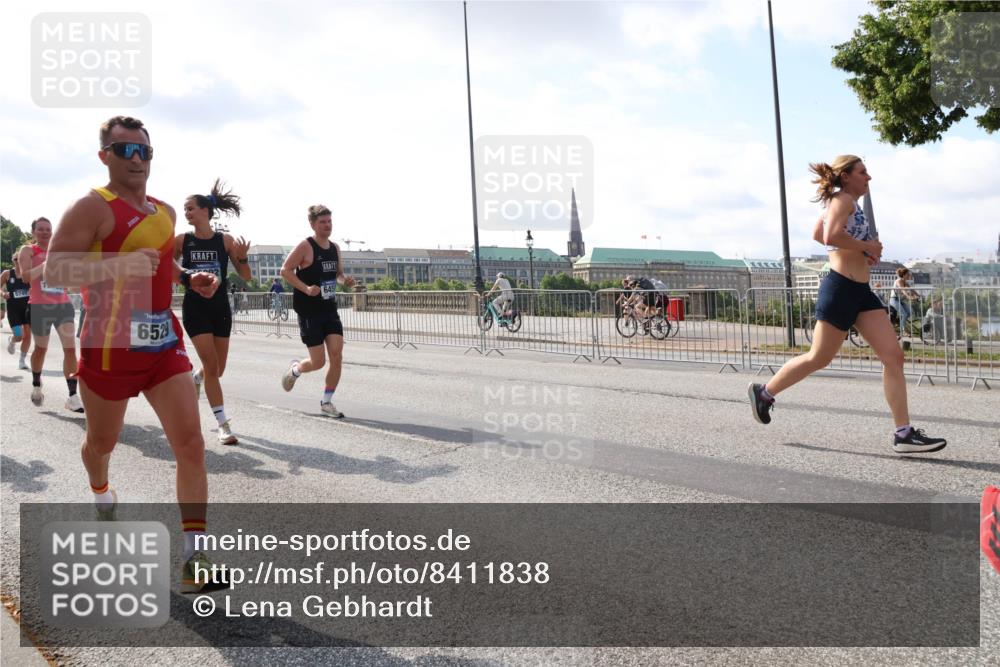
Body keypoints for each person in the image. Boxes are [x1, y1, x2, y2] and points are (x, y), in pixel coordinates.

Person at [44, 115, 228, 592]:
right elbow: (55, 271)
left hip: (161, 342)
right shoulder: (92, 206)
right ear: (104, 156)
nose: (137, 159)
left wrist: (189, 279)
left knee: (191, 444)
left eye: (144, 150)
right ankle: (102, 492)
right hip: (108, 349)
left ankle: (193, 560)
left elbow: (162, 264)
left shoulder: (163, 212)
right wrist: (118, 263)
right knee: (101, 445)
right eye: (125, 150)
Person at [748, 155, 946, 454]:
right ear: (846, 176)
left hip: (861, 291)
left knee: (893, 357)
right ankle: (764, 393)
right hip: (841, 288)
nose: (869, 177)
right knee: (818, 358)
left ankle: (903, 434)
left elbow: (819, 234)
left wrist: (861, 252)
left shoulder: (846, 203)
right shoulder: (842, 200)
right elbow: (830, 235)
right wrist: (867, 246)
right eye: (863, 172)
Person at [174, 179, 251, 446]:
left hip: (220, 308)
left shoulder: (225, 240)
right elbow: (167, 268)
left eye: (190, 208)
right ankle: (222, 425)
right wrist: (186, 277)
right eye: (185, 209)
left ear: (205, 210)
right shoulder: (182, 241)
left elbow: (246, 276)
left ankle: (196, 377)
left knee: (218, 369)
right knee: (212, 367)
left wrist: (242, 257)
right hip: (195, 309)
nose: (186, 213)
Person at [280, 205, 355, 418]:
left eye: (329, 221)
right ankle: (296, 370)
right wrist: (305, 288)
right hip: (309, 311)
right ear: (312, 224)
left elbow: (338, 274)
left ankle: (327, 402)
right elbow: (285, 270)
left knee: (337, 355)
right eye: (322, 222)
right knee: (318, 362)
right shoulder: (305, 246)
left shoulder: (335, 248)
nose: (327, 225)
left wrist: (345, 281)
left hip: (329, 308)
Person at [16, 218, 83, 412]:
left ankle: (72, 396)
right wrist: (45, 264)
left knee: (70, 349)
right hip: (39, 307)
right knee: (41, 349)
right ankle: (37, 384)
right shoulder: (28, 250)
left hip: (63, 305)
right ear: (33, 232)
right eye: (41, 229)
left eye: (48, 229)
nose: (45, 232)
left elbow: (70, 281)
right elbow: (25, 276)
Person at [2, 253, 32, 369]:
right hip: (13, 309)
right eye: (16, 259)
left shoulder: (29, 274)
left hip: (27, 308)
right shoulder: (7, 274)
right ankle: (12, 340)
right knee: (19, 336)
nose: (18, 261)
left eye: (21, 259)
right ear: (13, 260)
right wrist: (3, 293)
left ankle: (22, 361)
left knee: (28, 336)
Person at [888, 267, 919, 337]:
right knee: (904, 314)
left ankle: (900, 321)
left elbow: (912, 290)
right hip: (894, 300)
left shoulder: (905, 282)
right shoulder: (898, 281)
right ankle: (903, 330)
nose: (909, 275)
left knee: (910, 312)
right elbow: (903, 290)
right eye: (908, 274)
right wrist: (909, 297)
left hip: (900, 300)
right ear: (904, 275)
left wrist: (918, 296)